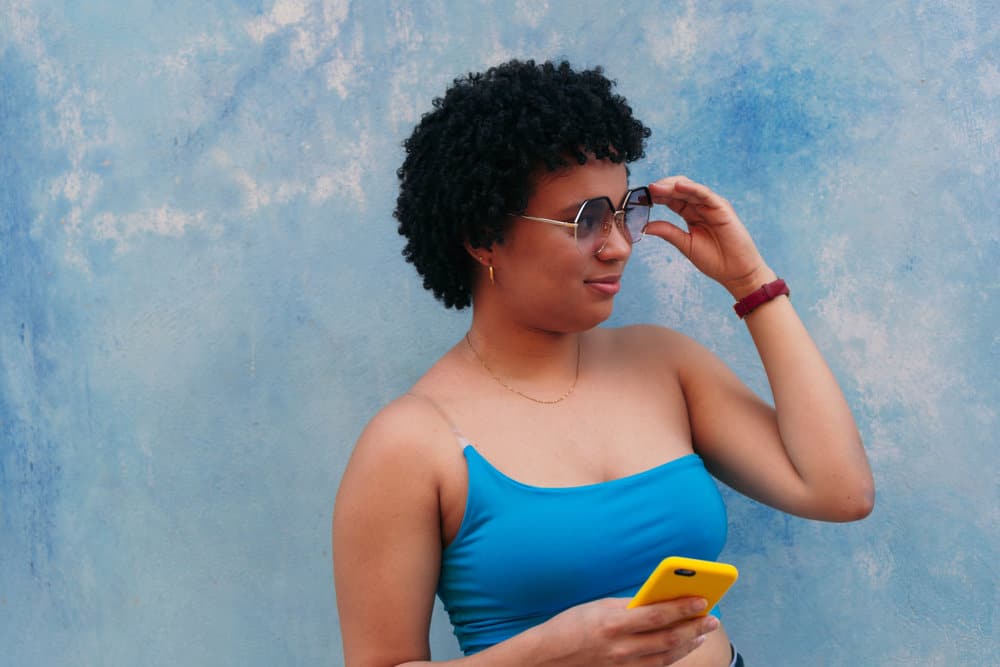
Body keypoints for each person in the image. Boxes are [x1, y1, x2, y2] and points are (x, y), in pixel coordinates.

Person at [333, 59, 874, 667]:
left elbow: (840, 492)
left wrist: (751, 281)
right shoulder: (410, 442)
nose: (618, 245)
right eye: (584, 219)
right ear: (483, 236)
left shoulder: (662, 364)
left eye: (623, 211)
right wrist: (552, 652)